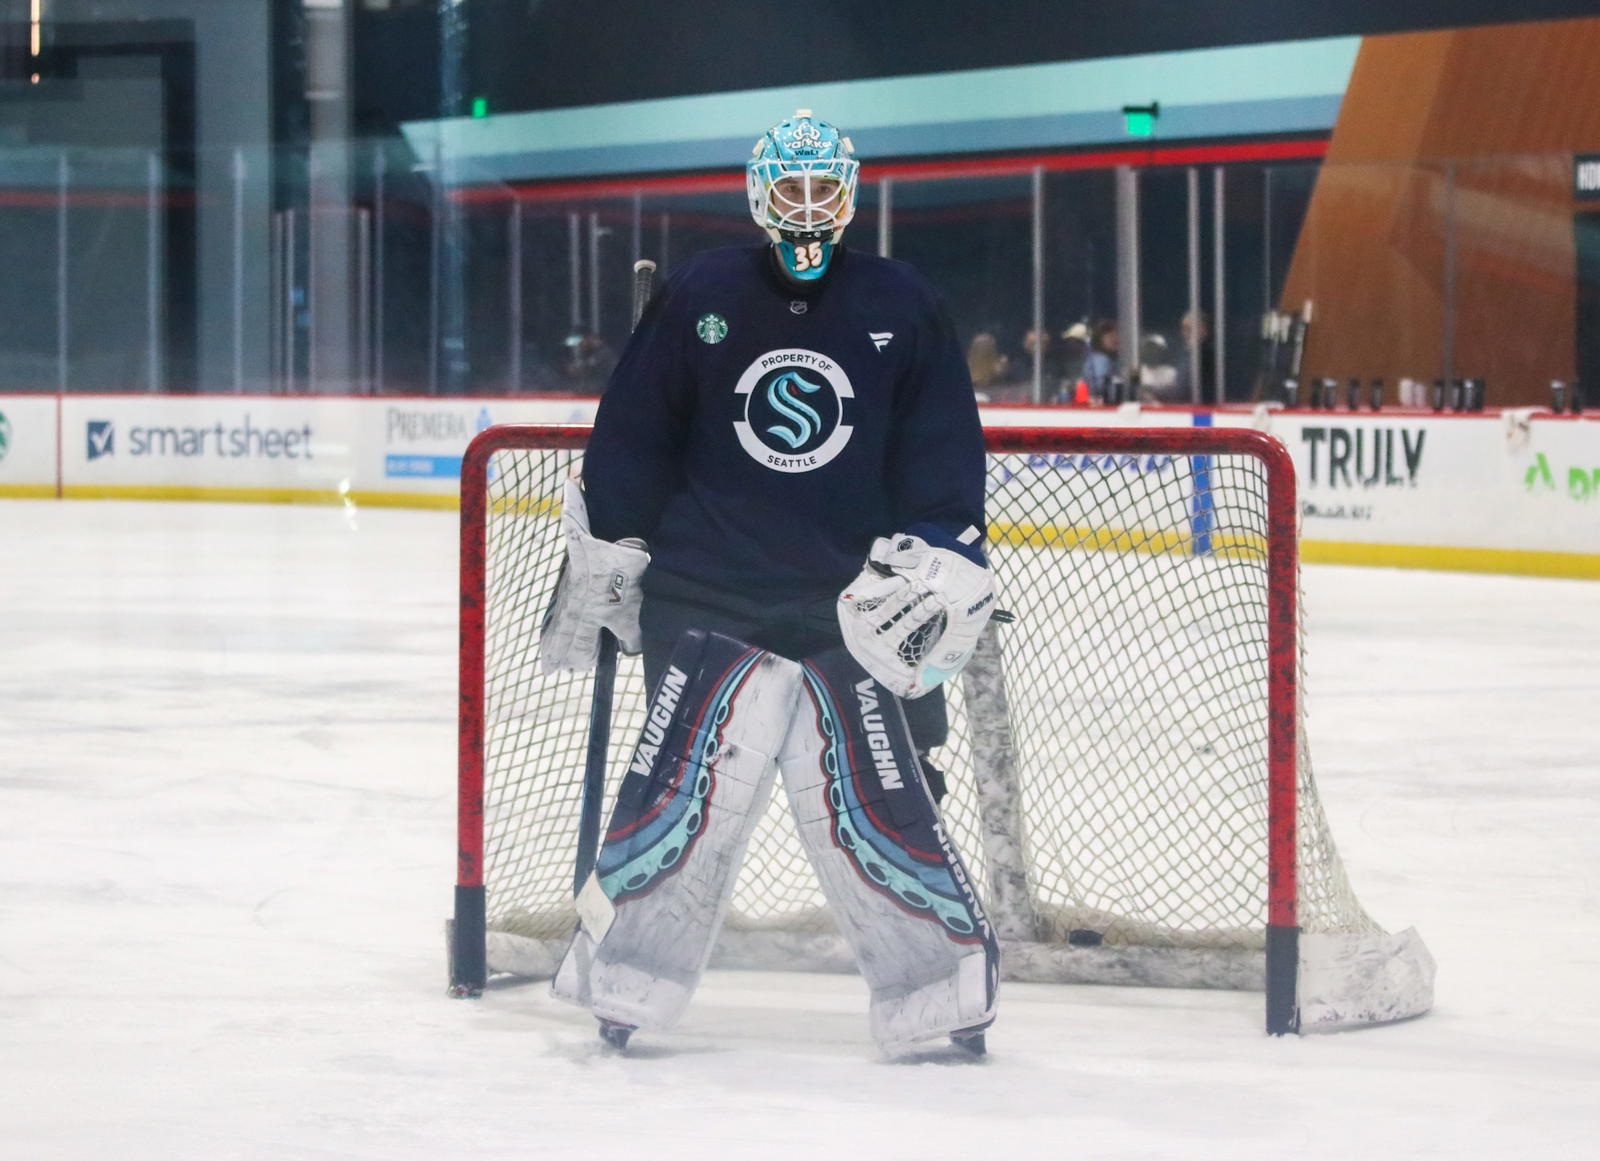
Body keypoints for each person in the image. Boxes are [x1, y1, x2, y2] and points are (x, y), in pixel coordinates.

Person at [540, 110, 1001, 1059]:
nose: (803, 211)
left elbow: (944, 457)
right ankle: (627, 977)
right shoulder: (701, 292)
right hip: (707, 593)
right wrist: (610, 554)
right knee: (688, 793)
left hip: (856, 602)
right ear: (758, 194)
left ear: (850, 192)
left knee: (886, 792)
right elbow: (633, 435)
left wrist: (936, 553)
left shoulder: (902, 302)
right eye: (786, 191)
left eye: (820, 191)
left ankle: (939, 987)